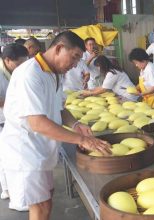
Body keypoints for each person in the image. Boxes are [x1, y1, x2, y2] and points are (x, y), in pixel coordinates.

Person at [0, 31, 111, 220]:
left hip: (42, 151)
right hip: (26, 153)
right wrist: (82, 140)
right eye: (74, 57)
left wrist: (76, 124)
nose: (76, 64)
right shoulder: (30, 74)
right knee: (41, 207)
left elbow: (59, 108)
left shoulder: (54, 74)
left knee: (46, 200)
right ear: (59, 48)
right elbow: (37, 122)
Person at [0, 43, 28, 211]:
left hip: (11, 121)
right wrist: (17, 103)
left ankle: (10, 190)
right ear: (7, 60)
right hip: (2, 121)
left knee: (11, 158)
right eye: (18, 64)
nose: (21, 68)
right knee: (4, 160)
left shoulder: (11, 71)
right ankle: (7, 190)